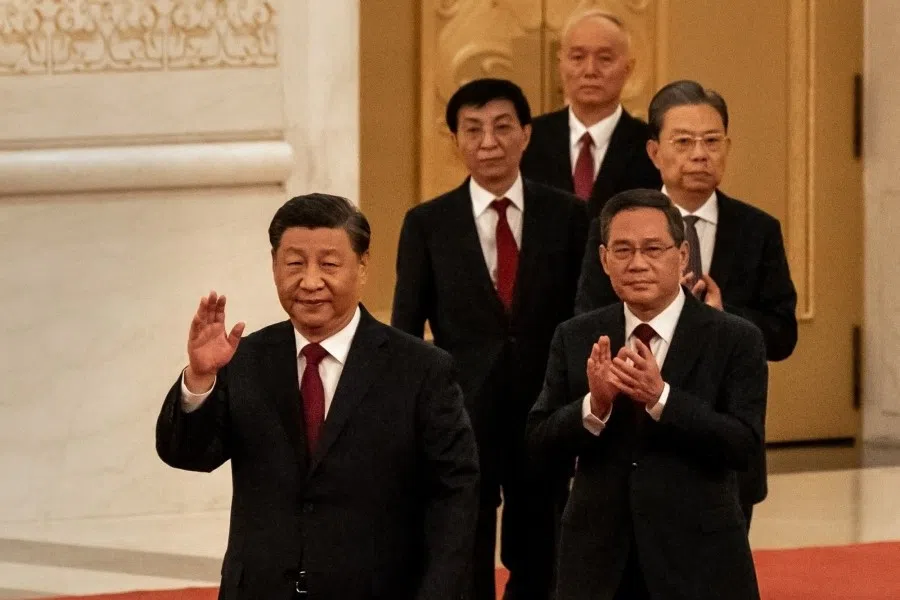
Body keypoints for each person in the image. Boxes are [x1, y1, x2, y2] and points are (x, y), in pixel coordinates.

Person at [156, 193, 479, 600]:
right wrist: (201, 377)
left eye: (328, 265)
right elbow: (189, 455)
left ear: (362, 266)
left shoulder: (421, 369)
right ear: (274, 265)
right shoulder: (244, 358)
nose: (310, 282)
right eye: (294, 264)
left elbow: (455, 495)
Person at [392, 78, 588, 600]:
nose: (488, 143)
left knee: (541, 547)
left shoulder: (568, 215)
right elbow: (406, 327)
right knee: (464, 547)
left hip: (545, 409)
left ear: (527, 134)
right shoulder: (427, 224)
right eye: (473, 130)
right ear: (455, 139)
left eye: (502, 127)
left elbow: (584, 315)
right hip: (461, 412)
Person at [574, 81, 798, 526]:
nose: (700, 155)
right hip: (632, 446)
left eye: (712, 141)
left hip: (722, 451)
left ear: (727, 147)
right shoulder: (617, 225)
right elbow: (587, 319)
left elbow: (782, 334)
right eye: (684, 142)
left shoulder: (757, 229)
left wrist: (722, 317)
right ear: (655, 152)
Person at [527, 188, 765, 600]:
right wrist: (594, 406)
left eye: (653, 249)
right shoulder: (576, 335)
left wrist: (662, 398)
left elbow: (744, 447)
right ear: (604, 260)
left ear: (683, 255)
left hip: (699, 560)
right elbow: (538, 446)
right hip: (598, 563)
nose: (637, 263)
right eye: (623, 250)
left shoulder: (735, 339)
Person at [520, 9, 660, 219]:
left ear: (628, 68)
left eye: (605, 59)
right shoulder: (527, 140)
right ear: (560, 64)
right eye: (578, 57)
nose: (590, 70)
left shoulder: (652, 147)